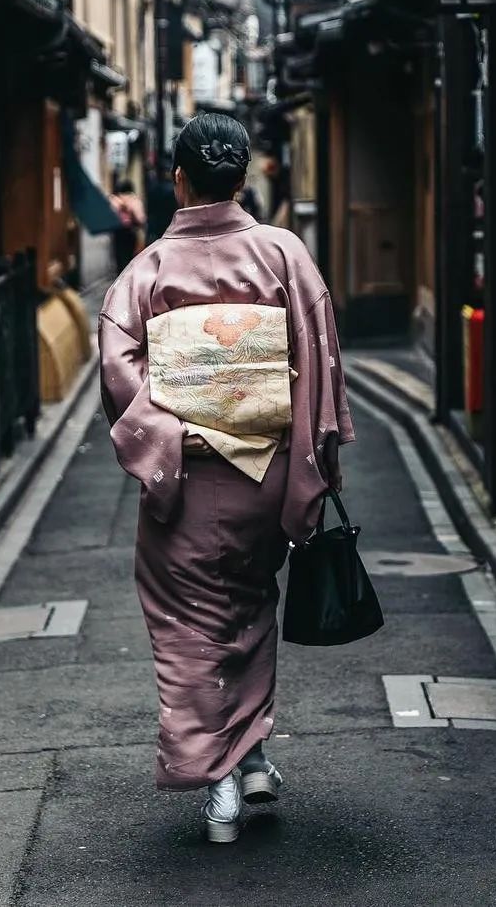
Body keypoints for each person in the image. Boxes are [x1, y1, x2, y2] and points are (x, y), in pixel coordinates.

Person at [98, 112, 354, 844]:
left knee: (187, 626)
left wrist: (170, 437)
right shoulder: (283, 254)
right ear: (243, 178)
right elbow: (320, 363)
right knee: (248, 604)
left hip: (185, 473)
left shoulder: (145, 271)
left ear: (176, 177)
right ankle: (256, 754)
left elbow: (122, 372)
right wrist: (312, 463)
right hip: (267, 472)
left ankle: (218, 786)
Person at [109, 180, 146, 273]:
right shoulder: (134, 200)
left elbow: (109, 215)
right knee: (131, 259)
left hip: (117, 232)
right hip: (131, 232)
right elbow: (141, 219)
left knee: (119, 259)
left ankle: (120, 281)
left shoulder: (114, 200)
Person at [144, 156, 178, 245]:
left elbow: (149, 209)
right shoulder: (173, 189)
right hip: (170, 225)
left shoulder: (153, 188)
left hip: (155, 226)